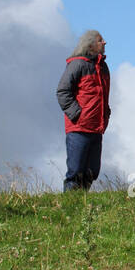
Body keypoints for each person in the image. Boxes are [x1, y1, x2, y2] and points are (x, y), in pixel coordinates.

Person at [56, 30, 111, 191]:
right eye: (101, 40)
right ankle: (70, 205)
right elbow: (62, 91)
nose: (105, 43)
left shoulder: (103, 67)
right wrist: (77, 115)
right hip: (79, 128)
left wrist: (105, 113)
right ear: (91, 44)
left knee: (91, 171)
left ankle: (83, 201)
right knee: (75, 171)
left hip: (97, 127)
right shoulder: (77, 64)